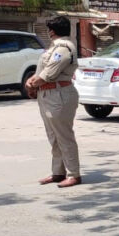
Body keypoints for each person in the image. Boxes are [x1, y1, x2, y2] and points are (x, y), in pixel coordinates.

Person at [25, 16, 81, 188]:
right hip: (47, 94)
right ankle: (58, 172)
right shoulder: (55, 47)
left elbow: (49, 73)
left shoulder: (63, 48)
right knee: (54, 136)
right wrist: (32, 83)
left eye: (49, 29)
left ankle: (74, 174)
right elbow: (42, 71)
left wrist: (32, 84)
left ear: (52, 31)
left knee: (64, 136)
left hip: (58, 94)